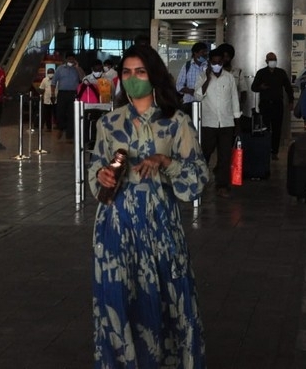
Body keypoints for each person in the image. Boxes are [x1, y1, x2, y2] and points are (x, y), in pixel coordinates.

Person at [89, 44, 208, 366]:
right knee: (117, 302)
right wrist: (101, 176)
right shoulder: (109, 124)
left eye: (140, 72)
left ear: (154, 76)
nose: (132, 78)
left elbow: (197, 179)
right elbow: (95, 168)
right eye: (127, 72)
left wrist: (166, 161)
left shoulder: (176, 123)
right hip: (115, 226)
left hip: (161, 227)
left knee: (169, 300)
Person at [194, 48, 241, 197]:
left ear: (223, 62)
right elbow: (198, 97)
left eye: (219, 62)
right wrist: (207, 79)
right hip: (209, 123)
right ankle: (199, 182)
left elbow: (234, 99)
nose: (216, 65)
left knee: (225, 156)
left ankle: (222, 185)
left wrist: (237, 122)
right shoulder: (202, 77)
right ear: (209, 63)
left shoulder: (229, 77)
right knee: (205, 153)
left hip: (226, 123)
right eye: (213, 62)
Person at [251, 52, 294, 160]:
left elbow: (288, 87)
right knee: (265, 129)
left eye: (274, 59)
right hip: (265, 104)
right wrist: (261, 87)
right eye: (270, 59)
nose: (272, 61)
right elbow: (253, 87)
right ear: (266, 61)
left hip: (277, 104)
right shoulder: (261, 73)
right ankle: (265, 150)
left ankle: (275, 152)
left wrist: (291, 101)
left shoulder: (281, 73)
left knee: (277, 129)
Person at [50, 52, 81, 140]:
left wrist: (77, 67)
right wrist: (53, 94)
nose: (71, 60)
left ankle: (69, 135)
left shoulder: (77, 69)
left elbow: (82, 78)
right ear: (66, 59)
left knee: (71, 114)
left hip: (73, 93)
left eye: (73, 59)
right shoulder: (60, 69)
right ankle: (60, 129)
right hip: (62, 93)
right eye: (69, 59)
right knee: (60, 113)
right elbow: (53, 82)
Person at [176, 42, 208, 116]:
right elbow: (179, 86)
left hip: (205, 104)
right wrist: (191, 91)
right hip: (189, 103)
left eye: (206, 52)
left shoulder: (208, 65)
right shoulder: (187, 66)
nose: (205, 54)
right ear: (195, 53)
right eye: (202, 52)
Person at [218, 43, 247, 108]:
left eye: (227, 56)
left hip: (234, 107)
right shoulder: (216, 72)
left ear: (231, 57)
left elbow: (243, 91)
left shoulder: (238, 72)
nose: (225, 59)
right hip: (219, 108)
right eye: (223, 57)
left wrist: (241, 107)